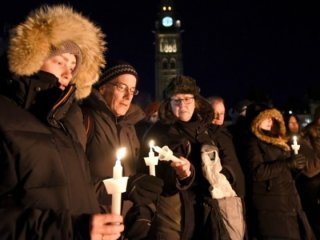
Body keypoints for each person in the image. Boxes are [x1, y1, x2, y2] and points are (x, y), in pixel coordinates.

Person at [0, 4, 124, 240]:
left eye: (73, 66)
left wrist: (97, 220)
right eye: (60, 61)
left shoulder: (66, 123)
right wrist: (71, 229)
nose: (68, 72)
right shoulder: (5, 115)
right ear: (33, 58)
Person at [142, 75, 234, 239]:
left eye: (187, 99)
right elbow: (149, 173)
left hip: (209, 215)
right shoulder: (159, 132)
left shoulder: (207, 130)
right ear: (169, 104)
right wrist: (181, 176)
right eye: (176, 100)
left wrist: (226, 174)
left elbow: (226, 159)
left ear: (196, 101)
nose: (182, 105)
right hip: (176, 219)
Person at [80, 60, 163, 239]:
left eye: (133, 90)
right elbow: (75, 184)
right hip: (95, 227)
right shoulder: (84, 119)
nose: (128, 96)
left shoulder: (129, 126)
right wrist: (124, 187)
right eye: (122, 87)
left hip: (126, 227)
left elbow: (136, 178)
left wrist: (143, 209)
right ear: (102, 87)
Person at [246, 105, 315, 239]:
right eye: (265, 118)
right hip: (272, 206)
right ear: (257, 121)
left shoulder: (280, 142)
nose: (269, 121)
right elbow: (257, 172)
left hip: (289, 202)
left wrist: (296, 167)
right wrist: (287, 163)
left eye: (272, 118)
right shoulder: (254, 143)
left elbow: (286, 173)